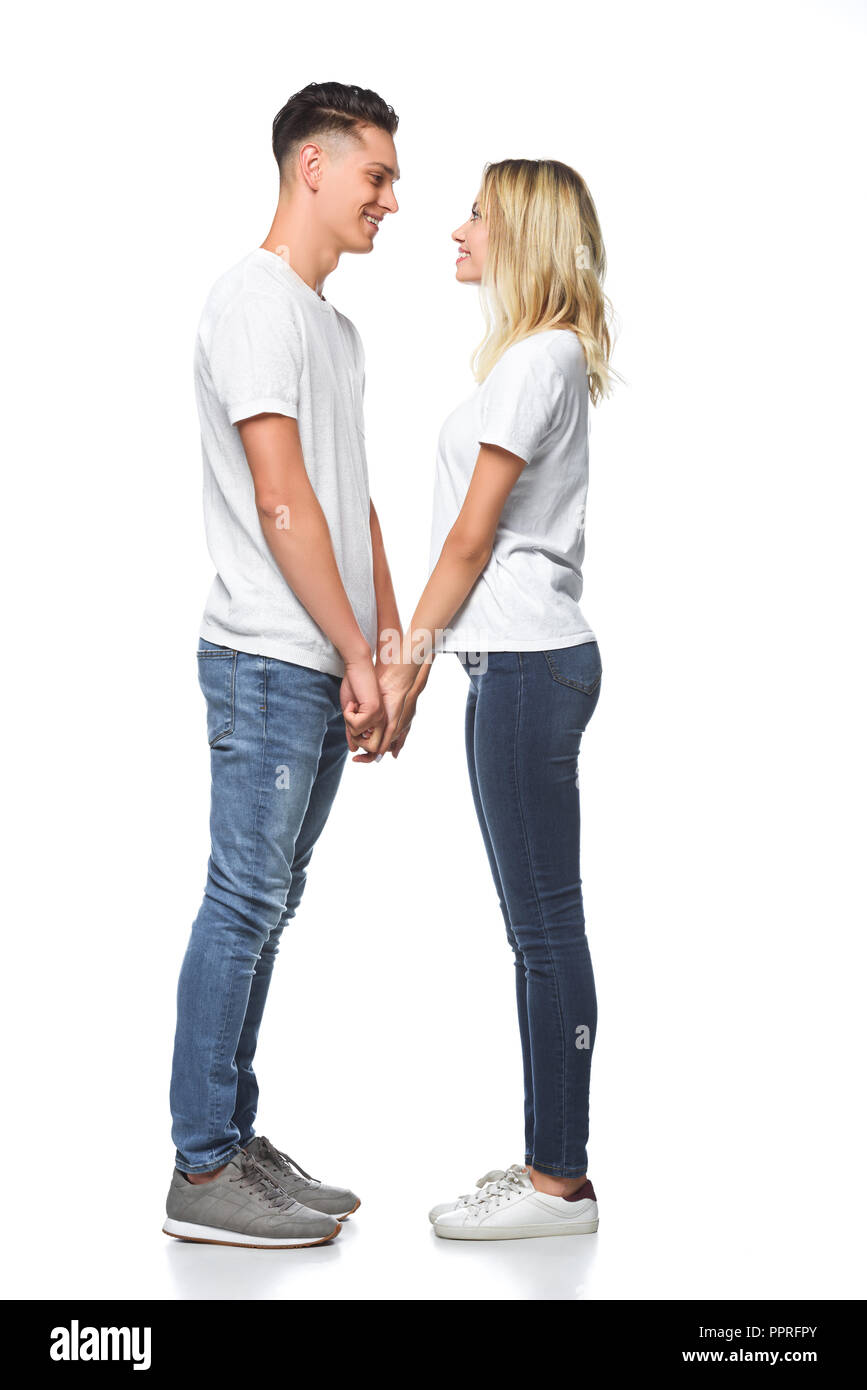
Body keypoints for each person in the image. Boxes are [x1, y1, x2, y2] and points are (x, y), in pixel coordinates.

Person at [354, 158, 617, 1240]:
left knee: (545, 928)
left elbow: (471, 536)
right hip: (519, 666)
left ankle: (560, 1182)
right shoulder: (535, 359)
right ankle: (551, 1164)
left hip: (521, 667)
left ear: (524, 237)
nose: (453, 230)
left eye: (475, 216)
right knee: (538, 928)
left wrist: (405, 665)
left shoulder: (539, 358)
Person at [163, 81, 402, 1250]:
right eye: (377, 176)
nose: (392, 201)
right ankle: (202, 1161)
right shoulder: (252, 303)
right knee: (243, 898)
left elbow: (352, 501)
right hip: (267, 656)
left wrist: (388, 650)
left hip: (321, 662)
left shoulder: (335, 330)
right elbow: (281, 496)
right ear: (313, 167)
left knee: (270, 907)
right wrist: (352, 650)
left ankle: (233, 1141)